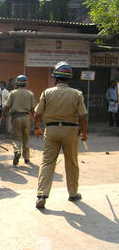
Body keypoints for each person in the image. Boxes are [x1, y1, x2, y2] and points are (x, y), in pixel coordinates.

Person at [34, 61, 87, 209]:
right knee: (71, 162)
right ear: (69, 78)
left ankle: (42, 195)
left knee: (47, 162)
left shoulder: (47, 92)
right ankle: (73, 193)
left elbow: (37, 114)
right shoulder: (77, 94)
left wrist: (37, 128)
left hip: (50, 130)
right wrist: (83, 132)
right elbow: (83, 116)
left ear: (55, 78)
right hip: (70, 131)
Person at [2, 75, 35, 165]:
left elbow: (7, 106)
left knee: (16, 138)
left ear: (16, 83)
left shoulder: (12, 93)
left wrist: (3, 116)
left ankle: (17, 151)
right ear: (26, 84)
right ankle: (27, 158)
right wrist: (34, 119)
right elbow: (33, 109)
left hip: (16, 117)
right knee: (26, 138)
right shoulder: (30, 94)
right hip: (27, 117)